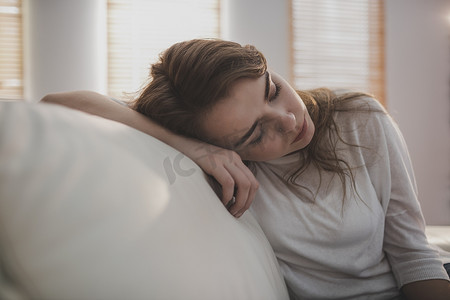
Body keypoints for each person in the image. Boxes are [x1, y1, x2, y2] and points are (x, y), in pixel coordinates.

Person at [41, 39, 450, 299]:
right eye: (255, 133)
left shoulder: (359, 117)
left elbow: (411, 250)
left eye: (272, 90)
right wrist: (191, 148)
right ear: (222, 145)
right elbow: (61, 102)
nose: (288, 120)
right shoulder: (222, 170)